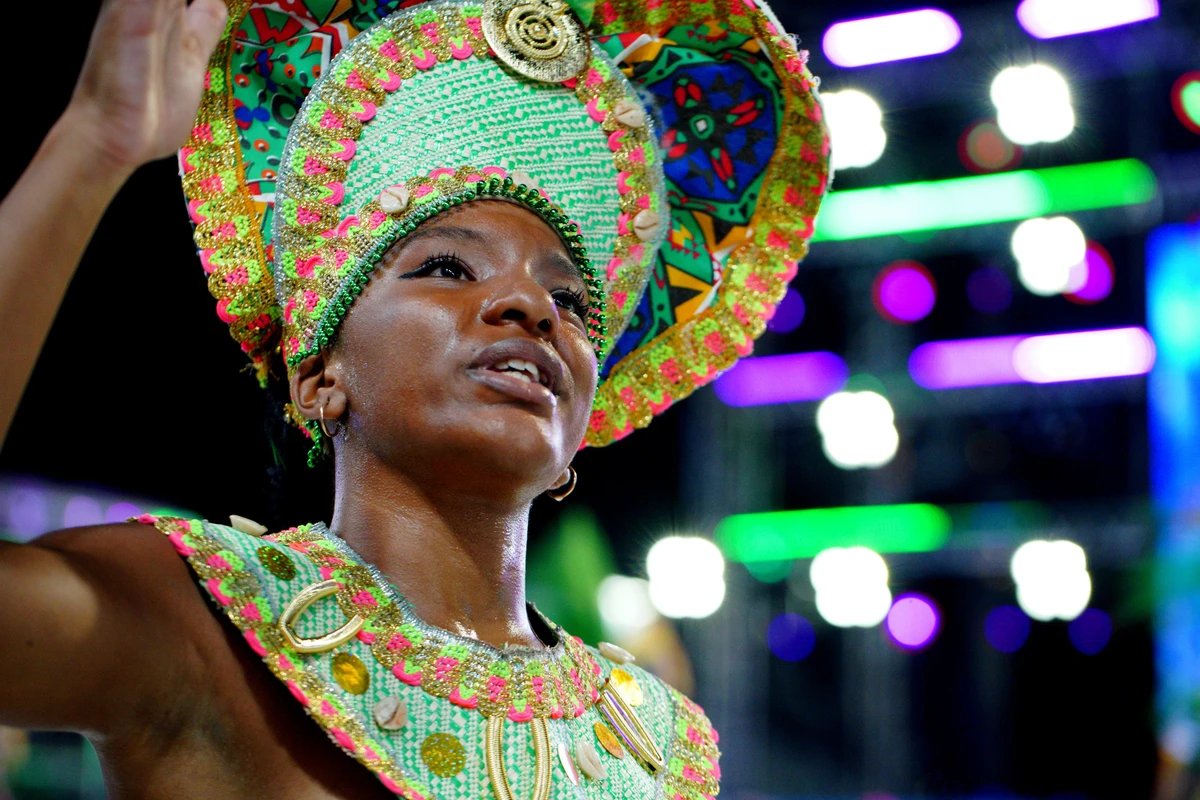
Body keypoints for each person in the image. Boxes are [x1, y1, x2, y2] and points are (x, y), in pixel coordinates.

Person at [0, 0, 828, 797]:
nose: (531, 308)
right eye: (446, 268)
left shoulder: (652, 745)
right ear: (320, 377)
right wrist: (90, 149)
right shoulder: (206, 623)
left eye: (570, 301)